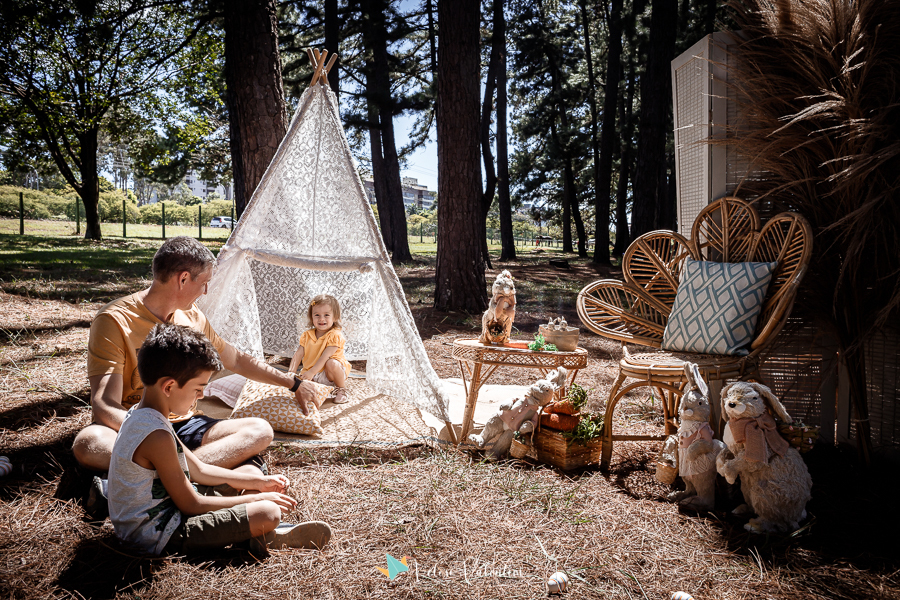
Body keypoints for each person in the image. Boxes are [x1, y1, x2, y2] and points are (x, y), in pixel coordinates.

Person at [73, 236, 322, 478]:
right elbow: (105, 404)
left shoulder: (192, 316)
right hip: (133, 424)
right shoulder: (114, 320)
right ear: (183, 279)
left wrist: (294, 383)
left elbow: (236, 360)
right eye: (204, 283)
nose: (205, 291)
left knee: (259, 430)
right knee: (89, 442)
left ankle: (163, 475)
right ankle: (194, 471)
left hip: (186, 424)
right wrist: (156, 434)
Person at [109, 323, 331, 556]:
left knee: (249, 473)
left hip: (171, 508)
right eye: (198, 389)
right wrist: (257, 500)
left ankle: (258, 533)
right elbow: (191, 504)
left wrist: (258, 484)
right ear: (169, 387)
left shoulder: (145, 414)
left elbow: (199, 469)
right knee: (268, 512)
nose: (201, 395)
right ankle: (261, 532)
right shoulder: (156, 435)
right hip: (161, 534)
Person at [288, 294, 352, 404]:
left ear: (335, 317)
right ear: (311, 317)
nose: (321, 319)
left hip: (330, 373)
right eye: (317, 315)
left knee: (331, 363)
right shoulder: (307, 335)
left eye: (326, 315)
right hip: (312, 373)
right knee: (300, 389)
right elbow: (298, 354)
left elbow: (325, 356)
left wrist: (312, 372)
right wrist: (290, 373)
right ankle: (319, 389)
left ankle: (341, 389)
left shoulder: (335, 335)